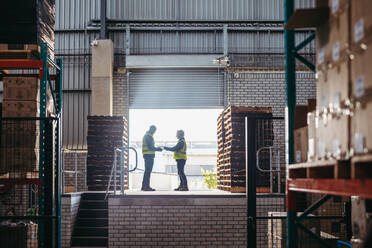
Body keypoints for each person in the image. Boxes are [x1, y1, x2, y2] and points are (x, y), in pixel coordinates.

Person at [141, 125, 162, 191]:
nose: (154, 132)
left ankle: (144, 186)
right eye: (154, 131)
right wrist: (158, 149)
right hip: (149, 155)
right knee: (148, 172)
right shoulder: (149, 136)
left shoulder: (147, 135)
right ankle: (146, 187)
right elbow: (151, 147)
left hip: (147, 155)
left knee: (147, 171)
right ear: (152, 129)